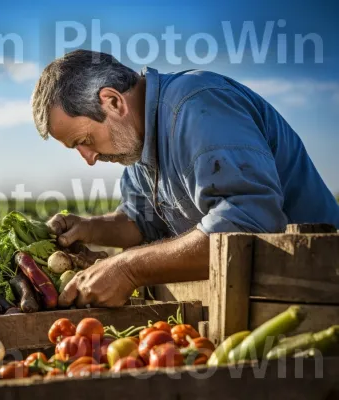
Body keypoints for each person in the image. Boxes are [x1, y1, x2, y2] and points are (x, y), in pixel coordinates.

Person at [30, 49, 339, 308]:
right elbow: (141, 220)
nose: (89, 158)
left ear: (113, 102)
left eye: (84, 140)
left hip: (315, 290)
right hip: (253, 295)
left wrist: (129, 269)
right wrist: (89, 228)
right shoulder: (138, 143)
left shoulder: (199, 106)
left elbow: (248, 223)